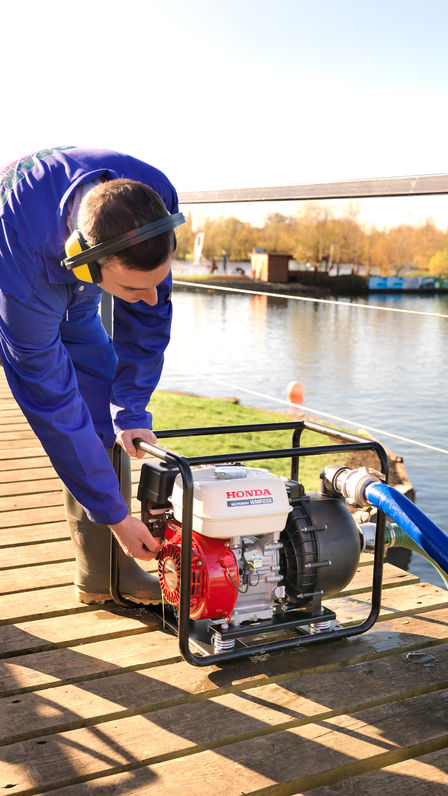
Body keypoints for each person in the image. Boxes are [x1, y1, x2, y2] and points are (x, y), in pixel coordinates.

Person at [0, 146, 185, 605]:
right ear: (83, 263)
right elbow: (53, 405)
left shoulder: (155, 193)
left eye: (156, 282)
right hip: (19, 264)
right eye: (131, 288)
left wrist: (132, 409)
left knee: (100, 399)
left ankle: (102, 578)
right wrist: (116, 516)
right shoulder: (21, 278)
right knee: (68, 407)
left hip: (73, 276)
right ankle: (114, 532)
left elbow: (149, 318)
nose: (147, 298)